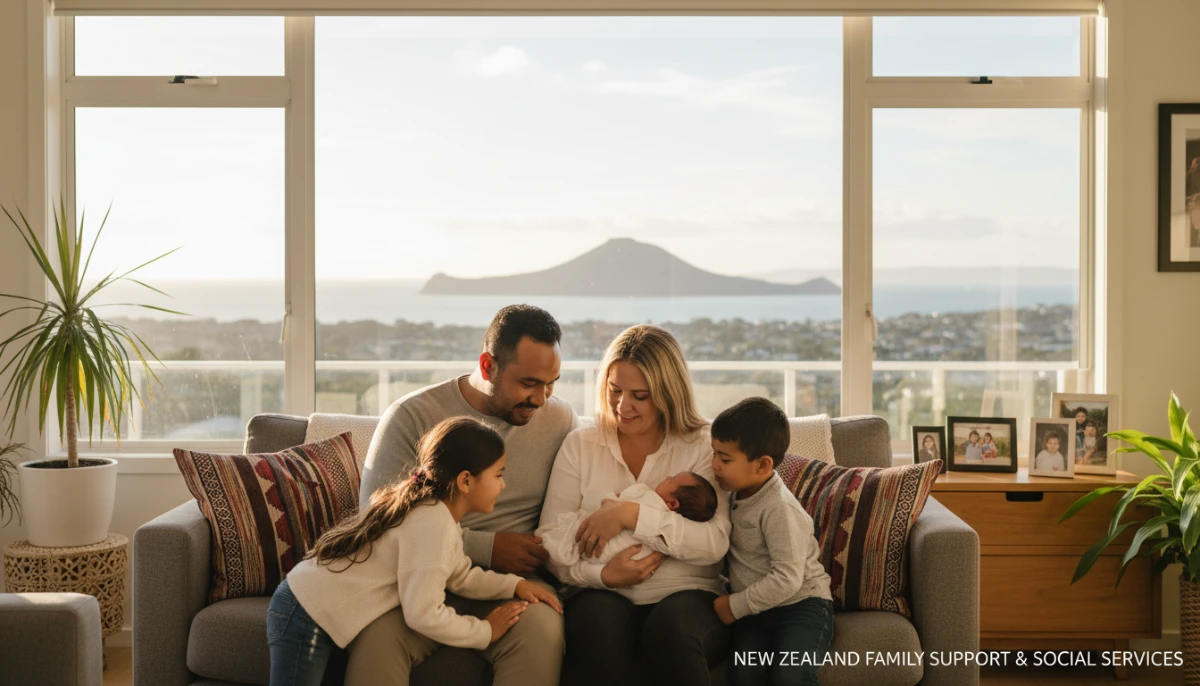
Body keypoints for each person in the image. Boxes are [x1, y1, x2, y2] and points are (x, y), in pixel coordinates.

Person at [348, 305, 578, 686]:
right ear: (488, 366)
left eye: (551, 383)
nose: (541, 398)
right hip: (417, 579)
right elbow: (378, 520)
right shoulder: (413, 416)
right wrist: (486, 548)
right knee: (377, 640)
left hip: (513, 585)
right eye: (529, 383)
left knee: (542, 632)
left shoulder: (559, 421)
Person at [268, 418, 563, 686]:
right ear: (465, 481)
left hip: (310, 606)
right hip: (306, 610)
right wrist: (483, 631)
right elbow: (422, 615)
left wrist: (514, 584)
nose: (503, 484)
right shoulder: (431, 523)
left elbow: (459, 576)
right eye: (498, 475)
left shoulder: (438, 516)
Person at [539, 325, 732, 686]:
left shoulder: (704, 445)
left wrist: (630, 515)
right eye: (615, 390)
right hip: (599, 592)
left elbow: (714, 543)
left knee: (672, 629)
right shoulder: (580, 445)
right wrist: (602, 576)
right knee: (597, 624)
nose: (622, 406)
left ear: (668, 394)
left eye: (640, 396)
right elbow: (549, 540)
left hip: (687, 594)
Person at [710, 397, 834, 686]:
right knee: (744, 672)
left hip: (802, 604)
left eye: (725, 459)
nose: (714, 464)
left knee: (791, 674)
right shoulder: (729, 491)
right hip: (758, 611)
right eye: (714, 453)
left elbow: (788, 578)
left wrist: (734, 606)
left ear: (763, 465)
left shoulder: (779, 508)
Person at [539, 471, 718, 568]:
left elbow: (613, 503)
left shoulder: (649, 498)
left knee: (573, 534)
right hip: (604, 563)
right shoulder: (667, 522)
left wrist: (616, 504)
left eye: (672, 480)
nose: (667, 477)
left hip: (605, 553)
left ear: (672, 504)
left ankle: (554, 547)